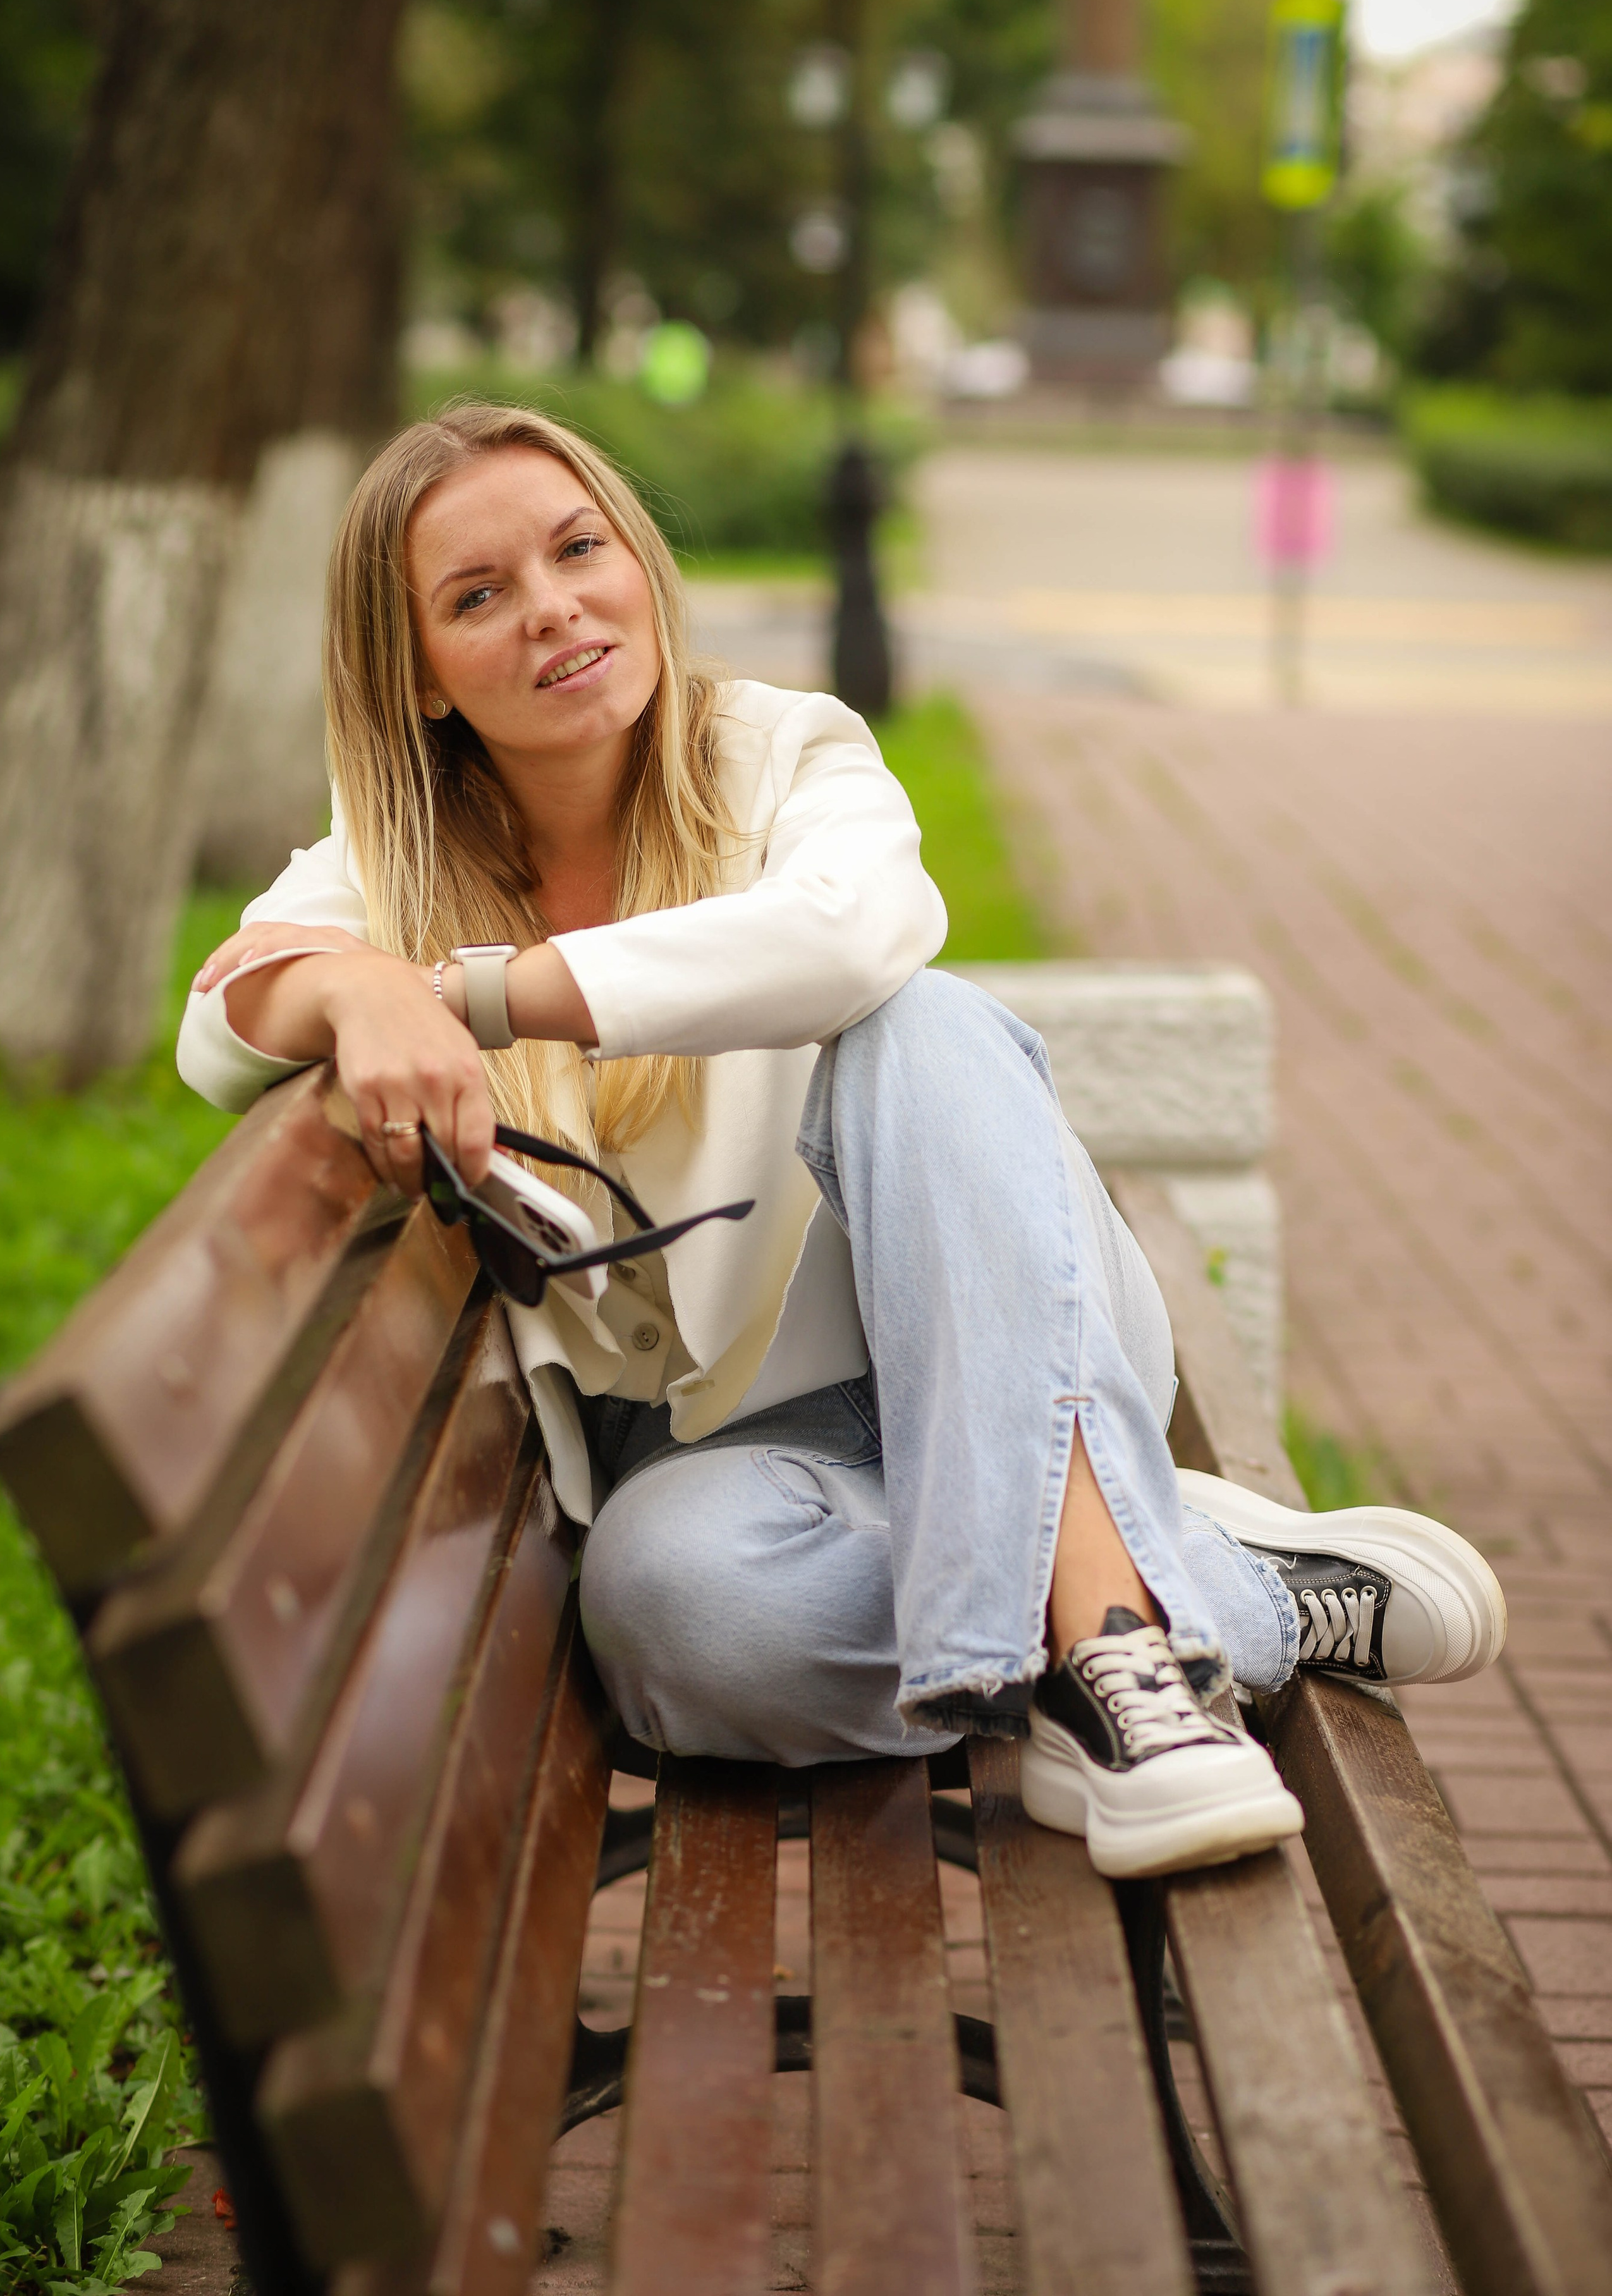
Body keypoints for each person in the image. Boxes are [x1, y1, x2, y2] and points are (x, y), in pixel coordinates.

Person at [177, 402, 1506, 1880]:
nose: (551, 608)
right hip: (735, 1455)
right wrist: (355, 986)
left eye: (577, 549)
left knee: (915, 1019)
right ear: (420, 673)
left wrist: (472, 995)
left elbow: (848, 935)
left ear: (638, 564)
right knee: (677, 1616)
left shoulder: (780, 751)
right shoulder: (395, 867)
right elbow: (218, 1024)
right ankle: (1206, 1584)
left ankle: (1122, 1665)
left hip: (991, 1309)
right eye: (478, 595)